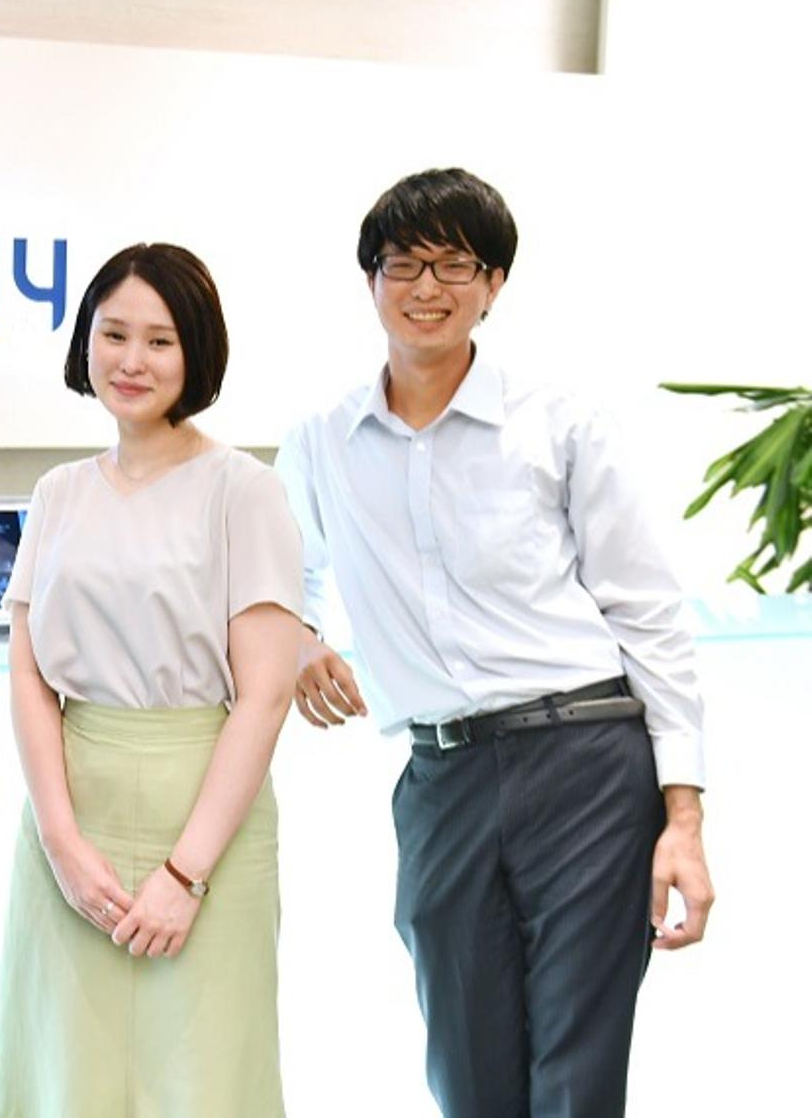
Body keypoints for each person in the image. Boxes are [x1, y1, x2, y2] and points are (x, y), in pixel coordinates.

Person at [275, 168, 715, 1117]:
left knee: (575, 1069)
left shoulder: (560, 423)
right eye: (404, 264)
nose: (427, 287)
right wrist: (303, 636)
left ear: (494, 284)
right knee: (466, 1068)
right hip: (441, 777)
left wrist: (683, 816)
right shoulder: (320, 442)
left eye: (455, 265)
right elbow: (279, 576)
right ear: (371, 279)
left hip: (586, 759)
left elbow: (647, 614)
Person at [0, 242, 304, 1116]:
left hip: (206, 814)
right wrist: (59, 838)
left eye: (160, 340)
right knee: (62, 1071)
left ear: (198, 351)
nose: (132, 360)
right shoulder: (58, 491)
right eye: (113, 333)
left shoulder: (244, 489)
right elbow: (29, 670)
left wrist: (185, 873)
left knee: (201, 1080)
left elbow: (266, 695)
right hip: (70, 811)